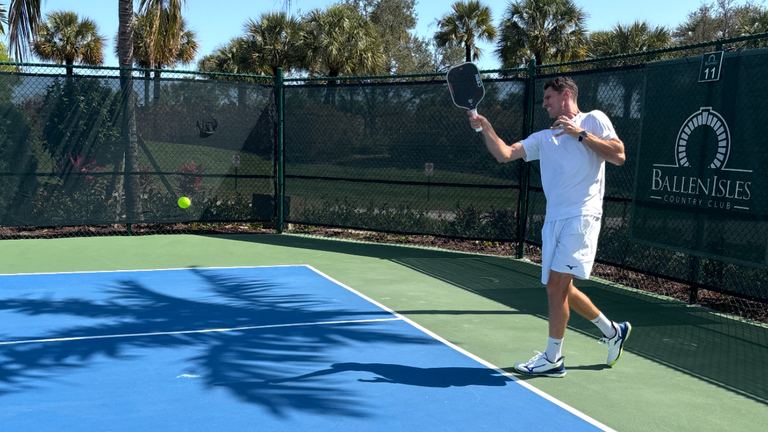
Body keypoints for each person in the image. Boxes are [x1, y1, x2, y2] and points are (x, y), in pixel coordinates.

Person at [468, 76, 630, 378]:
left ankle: (553, 359)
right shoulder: (543, 138)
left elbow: (618, 155)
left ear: (565, 94)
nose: (544, 104)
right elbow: (504, 154)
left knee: (556, 287)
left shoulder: (593, 119)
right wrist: (485, 127)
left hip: (583, 216)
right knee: (560, 288)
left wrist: (580, 134)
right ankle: (612, 332)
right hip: (554, 221)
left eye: (548, 98)